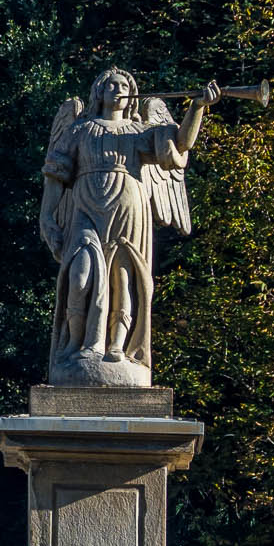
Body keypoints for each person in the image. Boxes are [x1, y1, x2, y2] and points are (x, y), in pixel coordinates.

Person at [41, 67, 217, 384]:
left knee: (122, 279)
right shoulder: (80, 129)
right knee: (80, 276)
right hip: (85, 208)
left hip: (128, 208)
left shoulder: (140, 131)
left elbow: (180, 145)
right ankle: (77, 346)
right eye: (111, 84)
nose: (118, 89)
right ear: (99, 92)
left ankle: (116, 348)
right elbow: (55, 175)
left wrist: (198, 108)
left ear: (131, 93)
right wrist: (47, 216)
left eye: (124, 84)